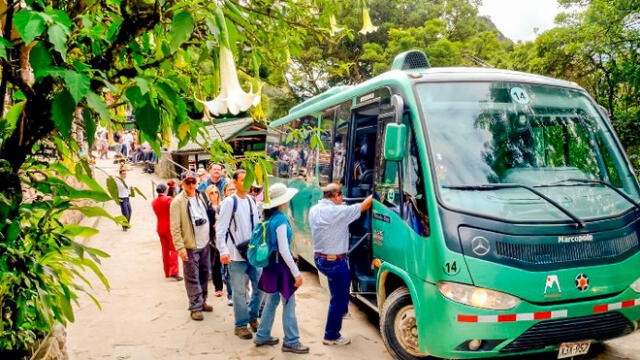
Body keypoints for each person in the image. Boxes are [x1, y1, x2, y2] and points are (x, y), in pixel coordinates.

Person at [308, 183, 373, 346]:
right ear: (335, 196)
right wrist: (377, 191)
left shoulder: (315, 209)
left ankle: (341, 310)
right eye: (341, 195)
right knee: (338, 298)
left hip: (320, 258)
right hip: (334, 261)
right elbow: (365, 205)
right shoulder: (338, 212)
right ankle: (331, 335)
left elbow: (342, 208)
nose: (343, 198)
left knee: (339, 287)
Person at [254, 183, 309, 354]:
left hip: (271, 265)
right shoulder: (281, 219)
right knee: (289, 303)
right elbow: (285, 250)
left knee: (272, 301)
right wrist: (296, 273)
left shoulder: (268, 217)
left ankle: (262, 335)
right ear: (282, 201)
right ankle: (291, 341)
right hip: (282, 267)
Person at [216, 169, 262, 340]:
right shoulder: (229, 202)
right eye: (243, 180)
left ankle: (252, 315)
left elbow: (257, 227)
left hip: (252, 253)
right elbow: (221, 229)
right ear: (234, 183)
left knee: (260, 286)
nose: (246, 183)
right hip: (235, 255)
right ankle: (241, 325)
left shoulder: (251, 200)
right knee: (239, 291)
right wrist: (223, 250)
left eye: (248, 180)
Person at [170, 171, 215, 321]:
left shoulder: (201, 196)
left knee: (204, 274)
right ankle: (195, 307)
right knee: (192, 277)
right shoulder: (177, 202)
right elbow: (175, 228)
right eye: (187, 182)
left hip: (205, 243)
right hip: (190, 245)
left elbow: (210, 214)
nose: (191, 185)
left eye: (193, 182)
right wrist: (180, 248)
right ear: (182, 184)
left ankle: (203, 301)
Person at [152, 184, 182, 281]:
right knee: (173, 249)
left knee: (164, 250)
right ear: (165, 190)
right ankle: (174, 271)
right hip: (169, 226)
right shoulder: (169, 200)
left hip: (160, 227)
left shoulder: (154, 202)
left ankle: (167, 271)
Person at [205, 185, 225, 298]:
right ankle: (218, 287)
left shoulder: (223, 205)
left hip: (224, 238)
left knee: (227, 263)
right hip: (212, 239)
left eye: (216, 192)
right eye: (211, 193)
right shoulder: (206, 208)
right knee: (215, 264)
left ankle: (227, 281)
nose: (214, 194)